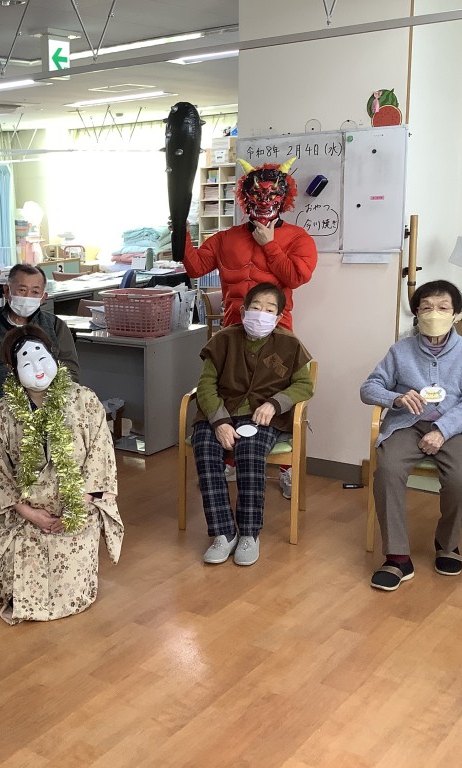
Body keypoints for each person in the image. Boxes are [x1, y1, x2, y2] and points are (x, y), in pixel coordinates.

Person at [182, 158, 318, 500]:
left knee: (275, 397)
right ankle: (229, 458)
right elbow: (195, 268)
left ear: (284, 197)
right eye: (257, 195)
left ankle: (285, 469)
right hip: (231, 330)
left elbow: (297, 277)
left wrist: (269, 243)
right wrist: (180, 229)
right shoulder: (225, 238)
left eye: (272, 195)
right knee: (230, 392)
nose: (264, 201)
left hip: (277, 334)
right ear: (245, 197)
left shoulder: (298, 237)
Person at [360, 280, 462, 591]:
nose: (434, 313)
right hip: (408, 424)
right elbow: (369, 388)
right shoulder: (400, 351)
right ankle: (397, 557)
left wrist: (443, 430)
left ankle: (447, 543)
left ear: (455, 314)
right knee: (388, 471)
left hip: (459, 426)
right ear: (417, 313)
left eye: (442, 307)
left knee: (461, 482)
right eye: (426, 307)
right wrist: (396, 398)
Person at [0, 327, 122, 624]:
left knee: (70, 592)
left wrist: (78, 506)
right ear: (12, 369)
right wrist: (29, 512)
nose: (37, 367)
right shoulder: (2, 413)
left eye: (41, 357)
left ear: (54, 357)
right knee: (18, 589)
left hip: (75, 510)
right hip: (24, 515)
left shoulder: (85, 400)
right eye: (26, 361)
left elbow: (101, 458)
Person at [191, 283, 313, 567]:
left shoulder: (289, 344)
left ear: (278, 316)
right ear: (244, 311)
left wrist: (275, 404)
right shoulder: (223, 340)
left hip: (262, 417)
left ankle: (248, 533)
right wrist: (219, 421)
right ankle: (223, 533)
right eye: (256, 308)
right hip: (219, 412)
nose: (261, 314)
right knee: (205, 449)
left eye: (269, 310)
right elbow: (205, 385)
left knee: (249, 453)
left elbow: (304, 386)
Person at [0, 264, 80, 498]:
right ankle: (1, 500)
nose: (28, 296)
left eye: (35, 291)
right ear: (7, 291)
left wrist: (55, 399)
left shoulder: (54, 325)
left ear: (44, 297)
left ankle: (42, 499)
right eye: (22, 290)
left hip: (42, 404)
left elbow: (70, 369)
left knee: (62, 448)